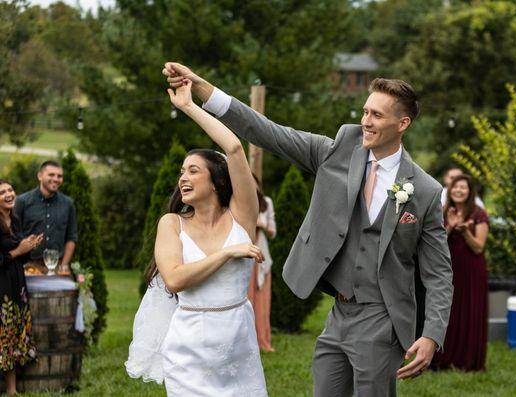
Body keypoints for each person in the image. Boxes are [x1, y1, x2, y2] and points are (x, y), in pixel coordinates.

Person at [163, 62, 453, 396]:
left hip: (382, 317)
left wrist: (431, 335)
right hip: (339, 313)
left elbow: (439, 273)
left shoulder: (426, 191)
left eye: (376, 115)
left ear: (403, 123)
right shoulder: (338, 151)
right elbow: (266, 131)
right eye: (365, 111)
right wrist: (201, 88)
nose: (365, 121)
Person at [125, 78, 267, 396]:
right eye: (181, 172)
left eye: (192, 171)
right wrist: (227, 253)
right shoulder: (171, 224)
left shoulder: (241, 218)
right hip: (187, 348)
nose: (183, 178)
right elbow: (174, 279)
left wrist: (189, 106)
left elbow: (233, 148)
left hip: (237, 347)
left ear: (216, 181)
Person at [434, 174, 489, 371]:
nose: (458, 191)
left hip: (472, 271)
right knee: (449, 312)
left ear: (470, 191)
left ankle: (468, 360)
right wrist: (450, 226)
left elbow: (478, 248)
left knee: (470, 311)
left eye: (463, 187)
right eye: (455, 187)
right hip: (449, 269)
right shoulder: (442, 211)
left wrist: (465, 231)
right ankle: (443, 358)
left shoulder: (478, 214)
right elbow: (436, 242)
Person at [0, 179, 41, 395]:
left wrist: (30, 247)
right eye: (2, 192)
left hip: (17, 286)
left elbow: (20, 260)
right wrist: (18, 250)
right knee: (2, 335)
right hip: (1, 288)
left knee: (12, 335)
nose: (8, 194)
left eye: (10, 190)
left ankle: (12, 390)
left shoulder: (14, 220)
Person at [15, 160, 77, 275]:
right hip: (28, 266)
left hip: (57, 267)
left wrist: (64, 265)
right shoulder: (22, 201)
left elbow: (71, 237)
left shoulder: (68, 204)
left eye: (59, 176)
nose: (56, 179)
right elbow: (14, 234)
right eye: (51, 175)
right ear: (40, 176)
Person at [247, 174, 276, 352]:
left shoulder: (266, 202)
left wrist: (261, 224)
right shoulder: (237, 200)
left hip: (260, 253)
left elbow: (273, 231)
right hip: (244, 253)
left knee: (261, 299)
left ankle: (262, 339)